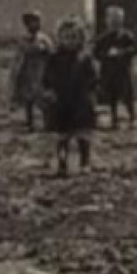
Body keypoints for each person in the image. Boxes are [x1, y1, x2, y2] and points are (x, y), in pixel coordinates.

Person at [43, 17, 97, 175]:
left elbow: (93, 77)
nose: (70, 41)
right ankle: (62, 162)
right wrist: (49, 90)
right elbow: (47, 77)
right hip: (62, 101)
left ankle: (85, 162)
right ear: (59, 38)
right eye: (66, 37)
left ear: (81, 38)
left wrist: (92, 92)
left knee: (83, 134)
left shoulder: (85, 58)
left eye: (74, 37)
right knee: (62, 135)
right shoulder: (54, 59)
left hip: (81, 101)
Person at [93, 6, 137, 129]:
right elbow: (96, 53)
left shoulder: (127, 36)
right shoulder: (102, 38)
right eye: (112, 20)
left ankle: (132, 117)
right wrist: (106, 54)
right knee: (111, 96)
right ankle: (114, 119)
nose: (114, 23)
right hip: (109, 72)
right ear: (107, 21)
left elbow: (134, 49)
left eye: (117, 20)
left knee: (127, 96)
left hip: (124, 70)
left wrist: (121, 52)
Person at [9, 10, 52, 131]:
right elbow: (20, 55)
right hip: (27, 71)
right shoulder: (23, 40)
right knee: (28, 99)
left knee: (42, 97)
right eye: (32, 22)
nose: (35, 25)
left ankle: (47, 122)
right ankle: (29, 122)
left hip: (41, 71)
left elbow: (50, 53)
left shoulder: (44, 39)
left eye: (37, 21)